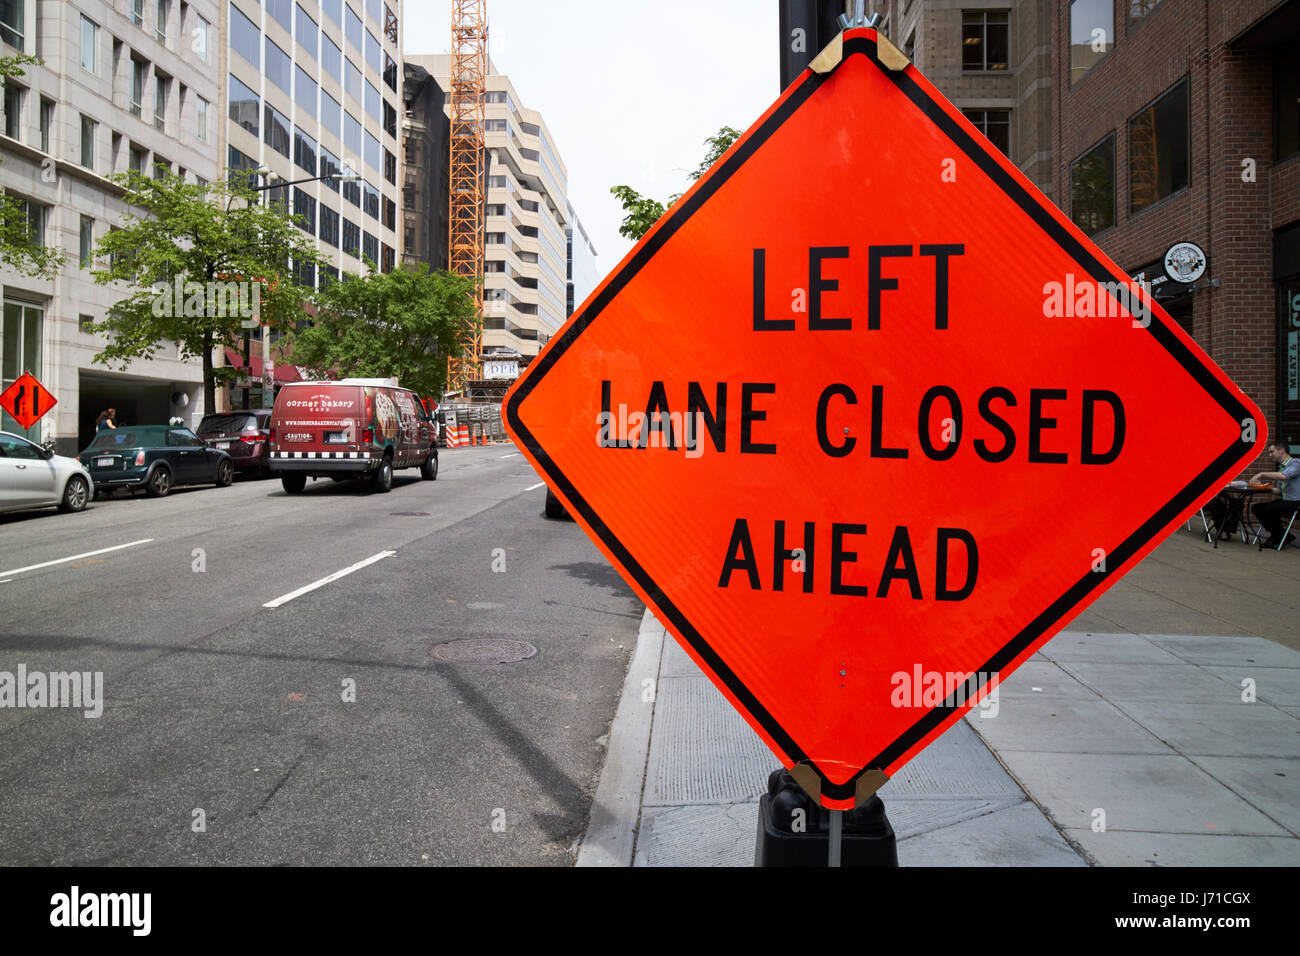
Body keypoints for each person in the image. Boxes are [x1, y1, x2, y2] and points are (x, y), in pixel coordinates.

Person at [1250, 440, 1300, 548]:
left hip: (1296, 503)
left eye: (1272, 452)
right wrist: (1265, 487)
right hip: (1287, 501)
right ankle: (1281, 535)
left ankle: (1278, 536)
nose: (1270, 455)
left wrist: (1261, 474)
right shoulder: (1281, 468)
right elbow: (1280, 492)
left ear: (1282, 451)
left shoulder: (1296, 463)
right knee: (1257, 508)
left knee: (1269, 509)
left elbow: (1284, 476)